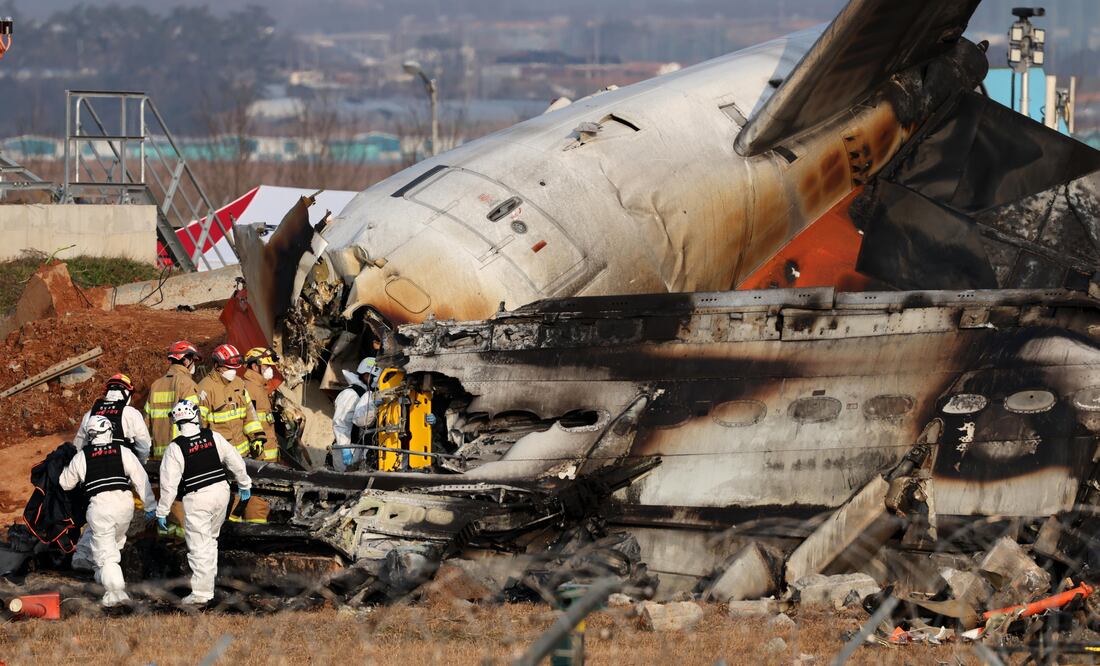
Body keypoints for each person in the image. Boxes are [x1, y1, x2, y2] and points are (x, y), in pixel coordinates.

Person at [155, 400, 251, 605]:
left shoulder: (175, 448)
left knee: (199, 546)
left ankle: (202, 594)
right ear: (196, 416)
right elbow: (235, 459)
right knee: (210, 540)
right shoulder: (212, 436)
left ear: (176, 422)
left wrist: (162, 511)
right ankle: (210, 583)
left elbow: (169, 485)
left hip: (198, 498)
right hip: (221, 492)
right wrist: (244, 484)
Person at [59, 415, 156, 607]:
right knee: (112, 545)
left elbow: (65, 483)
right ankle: (102, 576)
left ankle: (116, 594)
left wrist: (63, 466)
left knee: (106, 555)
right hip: (125, 507)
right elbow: (140, 478)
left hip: (101, 508)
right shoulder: (122, 451)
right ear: (108, 431)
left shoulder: (82, 457)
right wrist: (151, 506)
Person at [196, 344, 265, 459]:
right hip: (221, 458)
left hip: (244, 455)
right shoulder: (204, 389)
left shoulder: (239, 383)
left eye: (234, 368)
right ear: (217, 365)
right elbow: (199, 427)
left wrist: (257, 438)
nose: (232, 371)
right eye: (228, 368)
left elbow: (250, 414)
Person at [73, 373, 152, 463]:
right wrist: (140, 464)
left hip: (95, 468)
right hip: (122, 469)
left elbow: (78, 446)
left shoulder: (90, 413)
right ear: (127, 394)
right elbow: (144, 446)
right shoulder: (131, 413)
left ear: (107, 392)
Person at [144, 340, 202, 461]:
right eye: (193, 360)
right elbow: (195, 421)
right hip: (182, 453)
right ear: (186, 360)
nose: (194, 364)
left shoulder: (156, 385)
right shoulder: (187, 384)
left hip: (159, 454)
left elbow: (146, 422)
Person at [331, 357, 381, 472]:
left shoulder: (369, 395)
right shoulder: (351, 393)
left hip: (360, 449)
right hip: (348, 449)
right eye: (373, 377)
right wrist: (345, 447)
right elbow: (341, 422)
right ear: (366, 375)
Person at [241, 347, 279, 463]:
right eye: (267, 366)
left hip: (269, 453)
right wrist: (258, 456)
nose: (270, 370)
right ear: (254, 366)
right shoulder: (250, 389)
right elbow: (249, 424)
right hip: (262, 458)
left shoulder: (260, 387)